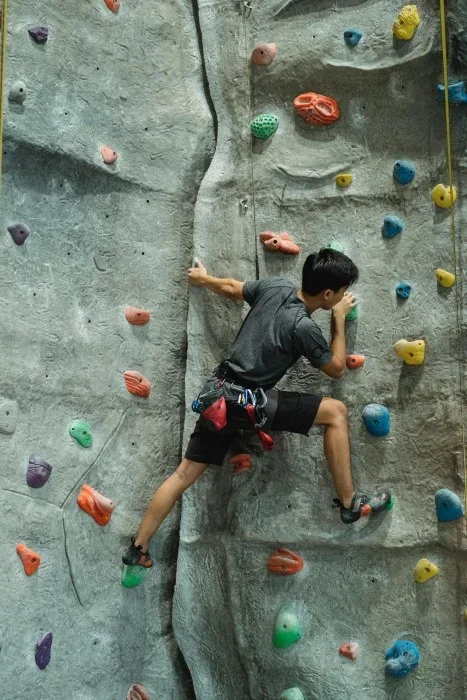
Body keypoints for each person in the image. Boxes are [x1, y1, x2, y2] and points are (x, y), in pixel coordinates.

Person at [122, 248, 391, 569]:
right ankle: (350, 504)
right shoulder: (302, 326)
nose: (345, 296)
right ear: (329, 293)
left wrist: (202, 278)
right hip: (247, 402)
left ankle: (138, 547)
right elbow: (335, 368)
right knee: (336, 413)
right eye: (343, 292)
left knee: (184, 473)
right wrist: (338, 320)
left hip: (216, 395)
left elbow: (234, 289)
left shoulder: (276, 286)